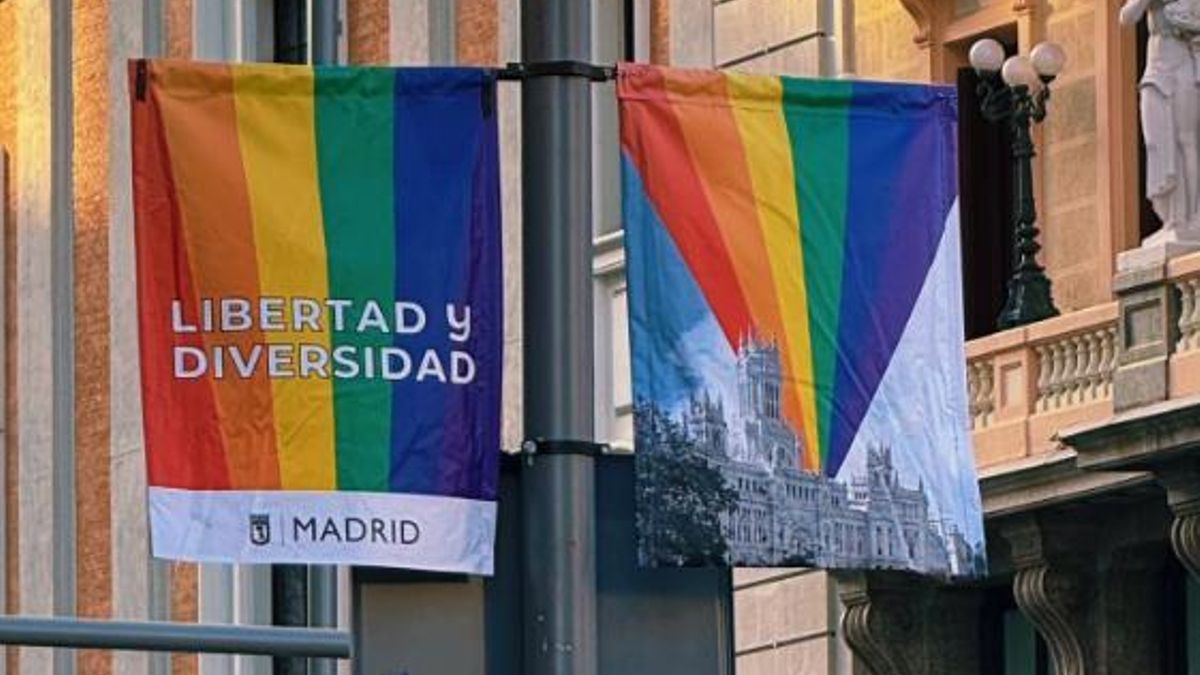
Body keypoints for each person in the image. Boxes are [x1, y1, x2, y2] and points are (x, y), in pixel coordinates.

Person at [1121, 0, 1200, 244]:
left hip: (1185, 67)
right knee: (1156, 141)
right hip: (1156, 70)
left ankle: (1191, 217)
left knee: (1186, 140)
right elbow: (1126, 17)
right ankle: (1171, 218)